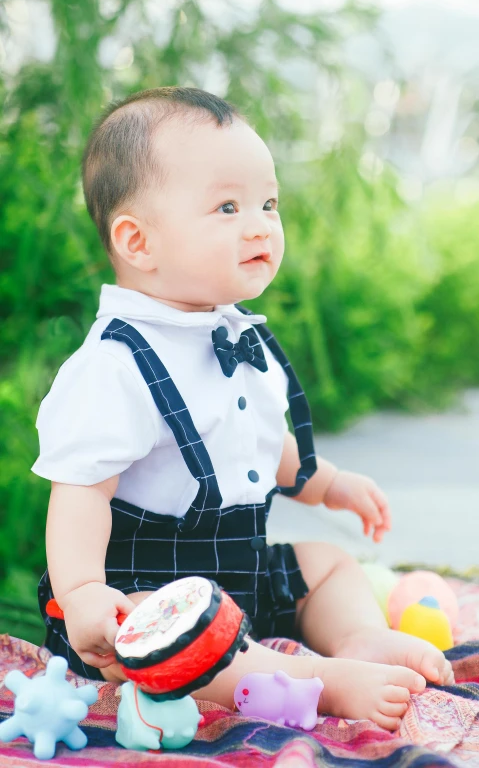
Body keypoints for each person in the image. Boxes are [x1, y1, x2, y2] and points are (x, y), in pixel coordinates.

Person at [32, 87, 453, 731]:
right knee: (178, 648)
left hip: (241, 566)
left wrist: (328, 483)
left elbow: (261, 442)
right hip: (149, 590)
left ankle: (358, 638)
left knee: (326, 562)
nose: (260, 224)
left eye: (268, 203)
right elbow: (81, 494)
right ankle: (322, 681)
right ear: (137, 241)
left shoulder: (238, 337)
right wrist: (85, 593)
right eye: (228, 207)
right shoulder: (113, 368)